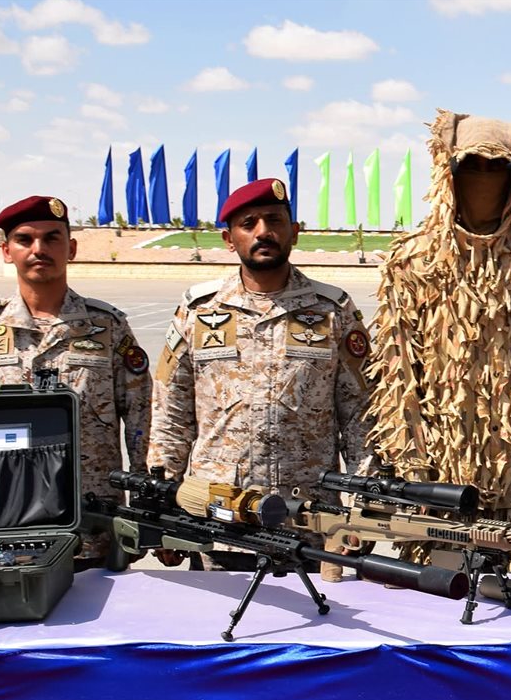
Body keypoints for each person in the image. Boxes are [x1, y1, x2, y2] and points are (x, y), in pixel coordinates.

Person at [364, 110, 511, 572]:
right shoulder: (413, 262)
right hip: (443, 497)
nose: (483, 178)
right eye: (471, 166)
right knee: (440, 600)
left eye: (496, 167)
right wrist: (412, 476)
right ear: (447, 172)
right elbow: (398, 383)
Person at [147, 178, 370, 581]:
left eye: (274, 220)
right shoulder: (198, 311)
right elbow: (170, 413)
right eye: (248, 224)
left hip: (309, 525)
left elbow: (360, 417)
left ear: (294, 231)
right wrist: (161, 504)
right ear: (228, 239)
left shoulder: (332, 310)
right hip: (218, 523)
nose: (263, 232)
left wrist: (363, 508)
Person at [0, 195, 150, 567]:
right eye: (25, 240)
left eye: (52, 238)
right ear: (7, 251)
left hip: (94, 529)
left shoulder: (107, 326)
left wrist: (145, 506)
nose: (39, 249)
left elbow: (141, 418)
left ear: (71, 248)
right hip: (3, 528)